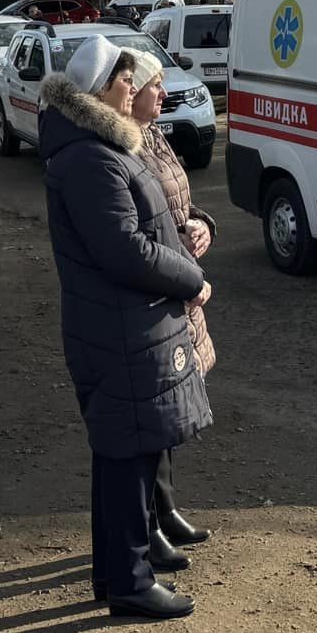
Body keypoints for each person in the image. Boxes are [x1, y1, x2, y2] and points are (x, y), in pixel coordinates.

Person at [38, 37, 211, 620]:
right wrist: (189, 277)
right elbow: (126, 251)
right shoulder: (91, 157)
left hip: (127, 324)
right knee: (125, 459)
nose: (134, 90)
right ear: (102, 89)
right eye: (126, 81)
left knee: (127, 456)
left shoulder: (103, 147)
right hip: (120, 329)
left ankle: (118, 574)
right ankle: (129, 581)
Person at [126, 50, 216, 553]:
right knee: (154, 411)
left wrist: (204, 224)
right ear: (128, 90)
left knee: (170, 409)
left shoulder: (156, 135)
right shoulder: (124, 149)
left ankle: (166, 509)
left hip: (182, 285)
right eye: (153, 85)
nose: (163, 93)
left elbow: (179, 202)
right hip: (162, 290)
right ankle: (151, 523)